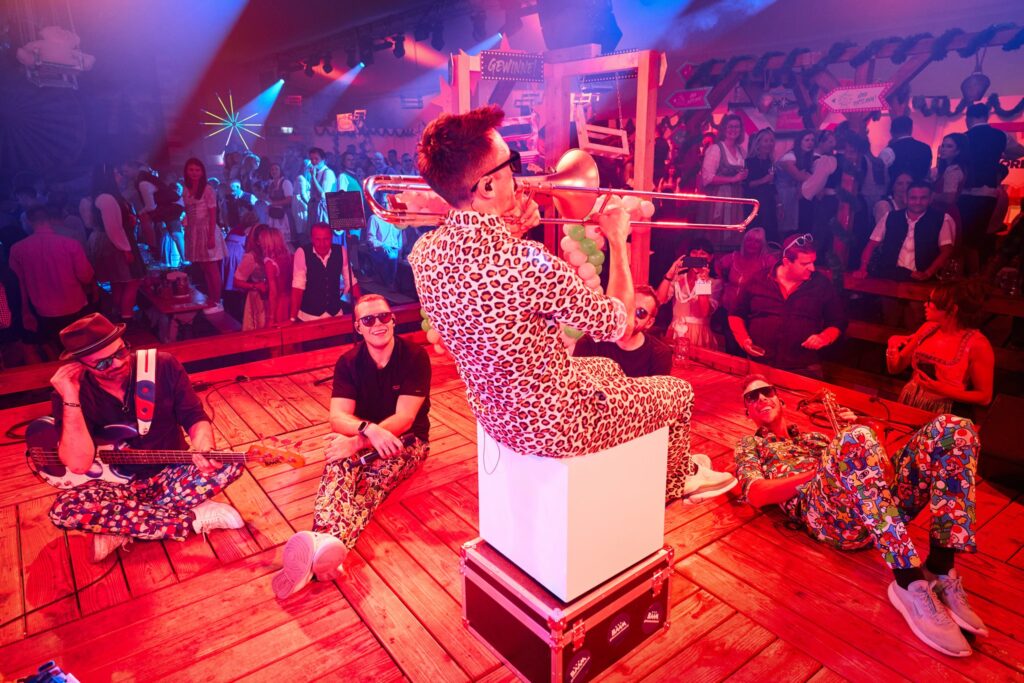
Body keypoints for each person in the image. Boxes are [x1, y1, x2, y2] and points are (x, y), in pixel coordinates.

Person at [408, 105, 735, 503]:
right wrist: (617, 239)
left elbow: (489, 287)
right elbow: (619, 324)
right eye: (511, 164)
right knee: (679, 392)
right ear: (488, 187)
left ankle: (646, 452)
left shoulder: (425, 253)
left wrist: (512, 228)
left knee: (607, 368)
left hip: (497, 415)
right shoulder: (529, 264)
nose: (519, 174)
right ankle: (675, 482)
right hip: (556, 427)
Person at [734, 374, 986, 657]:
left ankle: (940, 565)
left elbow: (881, 475)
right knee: (855, 438)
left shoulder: (816, 438)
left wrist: (864, 439)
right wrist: (829, 464)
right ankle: (908, 580)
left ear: (780, 400)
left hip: (872, 512)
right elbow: (756, 493)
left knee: (954, 428)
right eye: (751, 397)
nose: (760, 398)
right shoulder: (751, 445)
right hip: (826, 517)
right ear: (747, 412)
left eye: (766, 391)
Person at [47, 313, 244, 562]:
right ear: (80, 365)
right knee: (63, 510)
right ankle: (192, 518)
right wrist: (70, 396)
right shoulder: (70, 395)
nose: (117, 363)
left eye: (120, 352)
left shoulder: (162, 365)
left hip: (172, 471)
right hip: (114, 487)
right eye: (102, 364)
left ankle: (122, 525)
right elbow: (77, 464)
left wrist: (204, 448)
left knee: (229, 462)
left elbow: (194, 417)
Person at [272, 295, 431, 597]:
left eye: (384, 317)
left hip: (408, 441)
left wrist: (357, 441)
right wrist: (366, 431)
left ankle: (320, 545)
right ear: (358, 327)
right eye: (368, 320)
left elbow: (405, 418)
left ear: (393, 319)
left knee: (370, 484)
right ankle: (326, 551)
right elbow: (337, 418)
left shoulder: (415, 356)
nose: (378, 324)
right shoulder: (348, 362)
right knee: (337, 462)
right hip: (367, 435)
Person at [728, 233, 846, 378]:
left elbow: (838, 321)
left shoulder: (821, 284)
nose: (812, 268)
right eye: (805, 264)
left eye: (813, 262)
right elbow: (735, 314)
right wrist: (743, 340)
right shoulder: (758, 279)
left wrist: (825, 337)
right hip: (759, 363)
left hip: (803, 367)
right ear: (786, 262)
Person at [886, 280, 994, 415]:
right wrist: (892, 348)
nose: (926, 304)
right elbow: (895, 368)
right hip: (911, 400)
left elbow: (985, 397)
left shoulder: (978, 344)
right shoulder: (928, 328)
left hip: (944, 410)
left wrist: (941, 389)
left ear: (953, 309)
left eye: (931, 301)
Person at [9, 207, 95, 344]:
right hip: (73, 305)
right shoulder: (70, 244)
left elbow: (18, 285)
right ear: (51, 220)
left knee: (53, 347)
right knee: (79, 345)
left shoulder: (17, 249)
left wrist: (25, 311)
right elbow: (86, 276)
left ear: (29, 222)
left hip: (40, 310)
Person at [958, 103, 1024, 273]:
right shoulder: (1000, 135)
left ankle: (965, 275)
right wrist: (1001, 153)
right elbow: (1019, 152)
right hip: (988, 193)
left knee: (962, 236)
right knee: (977, 238)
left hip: (964, 191)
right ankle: (975, 275)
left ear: (968, 118)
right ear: (986, 117)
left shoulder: (964, 137)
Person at [855, 181, 955, 282]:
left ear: (930, 199)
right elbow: (872, 244)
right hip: (890, 277)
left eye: (923, 198)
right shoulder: (890, 217)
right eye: (913, 198)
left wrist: (927, 273)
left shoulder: (942, 219)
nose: (918, 202)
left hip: (924, 281)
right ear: (905, 199)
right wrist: (862, 268)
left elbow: (946, 251)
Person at [572, 285, 671, 378]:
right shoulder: (590, 343)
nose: (631, 315)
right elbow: (576, 384)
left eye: (641, 312)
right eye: (628, 307)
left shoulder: (659, 354)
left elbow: (657, 390)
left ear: (649, 322)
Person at [89, 163, 145, 323]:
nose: (120, 176)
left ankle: (118, 316)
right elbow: (114, 228)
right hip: (116, 243)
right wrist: (126, 249)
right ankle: (127, 318)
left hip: (111, 242)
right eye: (116, 173)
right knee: (132, 280)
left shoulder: (101, 197)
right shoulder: (106, 198)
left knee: (118, 282)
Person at [718, 227, 778, 353]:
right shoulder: (732, 257)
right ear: (744, 242)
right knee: (731, 347)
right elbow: (717, 266)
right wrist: (723, 283)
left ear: (762, 245)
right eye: (749, 240)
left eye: (756, 242)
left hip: (752, 313)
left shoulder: (767, 261)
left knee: (749, 347)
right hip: (729, 309)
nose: (752, 244)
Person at [657, 239, 723, 350]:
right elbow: (659, 300)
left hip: (699, 334)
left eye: (703, 253)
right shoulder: (678, 278)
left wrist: (702, 282)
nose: (697, 256)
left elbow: (704, 312)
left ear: (710, 257)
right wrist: (670, 274)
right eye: (694, 252)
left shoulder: (714, 283)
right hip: (675, 331)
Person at [182, 158, 225, 312]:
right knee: (204, 267)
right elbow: (188, 211)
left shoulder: (207, 189)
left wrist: (211, 236)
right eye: (191, 170)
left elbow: (213, 214)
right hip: (193, 230)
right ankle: (212, 299)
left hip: (207, 229)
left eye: (197, 170)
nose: (194, 173)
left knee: (212, 267)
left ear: (202, 172)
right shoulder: (185, 189)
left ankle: (218, 301)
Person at [290, 222, 351, 322]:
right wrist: (292, 318)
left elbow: (351, 280)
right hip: (308, 317)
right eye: (318, 239)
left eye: (326, 239)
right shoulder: (302, 253)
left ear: (331, 238)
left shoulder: (341, 251)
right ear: (312, 239)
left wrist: (364, 307)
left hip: (335, 315)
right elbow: (298, 287)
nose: (322, 244)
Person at [700, 113, 747, 226]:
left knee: (734, 226)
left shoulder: (741, 150)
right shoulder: (715, 149)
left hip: (736, 196)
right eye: (730, 126)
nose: (733, 129)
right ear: (724, 128)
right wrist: (732, 179)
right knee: (720, 227)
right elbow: (707, 178)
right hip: (719, 196)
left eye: (737, 127)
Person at [776, 130, 816, 237]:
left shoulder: (806, 157)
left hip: (794, 193)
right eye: (807, 140)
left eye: (812, 140)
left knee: (794, 227)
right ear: (799, 142)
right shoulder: (789, 157)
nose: (810, 143)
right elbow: (798, 176)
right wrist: (811, 177)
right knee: (784, 226)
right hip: (783, 194)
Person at [744, 128, 779, 242]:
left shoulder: (770, 161)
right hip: (756, 203)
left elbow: (773, 185)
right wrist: (764, 180)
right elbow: (748, 184)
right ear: (758, 143)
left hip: (769, 201)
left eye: (771, 141)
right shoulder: (750, 161)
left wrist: (779, 204)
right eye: (766, 141)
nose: (769, 144)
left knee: (771, 232)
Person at [879, 115, 932, 184]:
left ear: (891, 131)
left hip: (897, 189)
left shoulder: (889, 151)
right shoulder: (926, 148)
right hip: (920, 189)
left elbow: (880, 176)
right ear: (911, 130)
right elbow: (927, 174)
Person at [931, 133, 968, 233]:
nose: (943, 149)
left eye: (949, 146)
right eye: (943, 146)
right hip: (942, 211)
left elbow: (949, 198)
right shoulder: (948, 168)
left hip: (944, 213)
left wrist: (932, 195)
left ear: (958, 151)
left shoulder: (953, 170)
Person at [306, 147, 337, 234]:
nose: (314, 161)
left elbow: (323, 194)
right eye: (311, 159)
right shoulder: (316, 172)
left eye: (316, 159)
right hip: (315, 208)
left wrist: (313, 177)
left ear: (323, 160)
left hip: (325, 211)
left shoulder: (328, 172)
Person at [264, 162, 294, 241]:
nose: (274, 171)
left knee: (284, 239)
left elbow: (289, 199)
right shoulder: (271, 184)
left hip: (283, 215)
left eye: (276, 169)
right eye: (272, 169)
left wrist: (274, 203)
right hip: (273, 214)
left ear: (280, 171)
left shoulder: (285, 182)